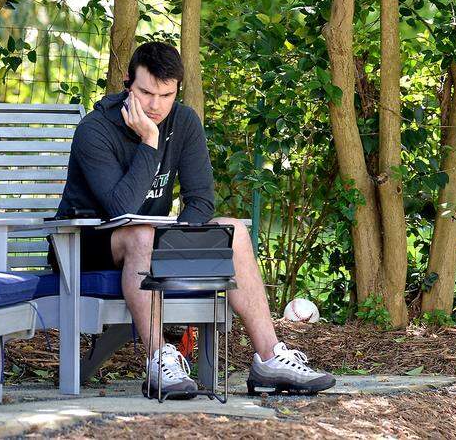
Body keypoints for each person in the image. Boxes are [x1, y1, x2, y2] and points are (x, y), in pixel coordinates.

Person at [53, 40, 335, 398]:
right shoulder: (95, 130)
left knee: (233, 230)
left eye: (166, 95)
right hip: (85, 245)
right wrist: (150, 141)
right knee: (140, 232)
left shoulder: (184, 121)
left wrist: (180, 247)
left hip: (154, 241)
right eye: (145, 93)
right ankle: (160, 363)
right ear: (127, 82)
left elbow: (201, 200)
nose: (155, 105)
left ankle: (269, 358)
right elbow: (119, 209)